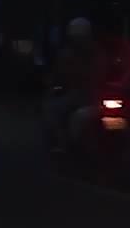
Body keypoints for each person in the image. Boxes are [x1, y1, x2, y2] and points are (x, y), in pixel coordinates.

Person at [43, 17, 107, 153]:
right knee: (53, 108)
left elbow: (95, 75)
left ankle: (63, 144)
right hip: (82, 94)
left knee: (53, 109)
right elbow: (58, 75)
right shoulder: (70, 53)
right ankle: (63, 142)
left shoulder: (93, 52)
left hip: (89, 95)